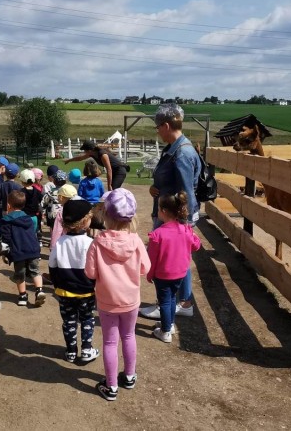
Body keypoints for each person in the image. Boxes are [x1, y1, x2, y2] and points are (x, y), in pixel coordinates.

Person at [84, 188, 150, 401]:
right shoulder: (136, 240)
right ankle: (129, 376)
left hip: (107, 302)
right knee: (129, 336)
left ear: (105, 214)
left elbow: (90, 273)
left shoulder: (97, 243)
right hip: (131, 300)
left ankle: (111, 386)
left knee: (110, 342)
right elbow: (145, 268)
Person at [140, 103, 202, 320]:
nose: (157, 131)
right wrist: (156, 188)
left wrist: (182, 223)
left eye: (158, 127)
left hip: (173, 218)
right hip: (170, 214)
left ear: (166, 125)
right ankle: (179, 302)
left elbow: (186, 191)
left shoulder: (182, 153)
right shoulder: (175, 148)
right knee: (179, 259)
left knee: (171, 261)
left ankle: (172, 303)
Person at [49, 199, 98, 363]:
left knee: (69, 320)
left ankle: (70, 351)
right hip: (87, 290)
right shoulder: (90, 243)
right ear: (85, 222)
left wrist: (57, 284)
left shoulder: (60, 243)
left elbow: (52, 266)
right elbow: (96, 268)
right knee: (87, 319)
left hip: (64, 291)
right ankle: (86, 349)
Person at [146, 192, 201, 343]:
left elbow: (152, 259)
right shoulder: (185, 229)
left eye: (158, 209)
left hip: (162, 275)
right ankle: (169, 324)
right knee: (171, 299)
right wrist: (190, 231)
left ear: (163, 211)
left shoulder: (157, 234)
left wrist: (149, 274)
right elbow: (196, 246)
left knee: (165, 301)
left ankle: (165, 332)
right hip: (180, 274)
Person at [0, 190, 46, 307]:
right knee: (35, 271)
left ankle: (23, 296)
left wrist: (5, 253)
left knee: (20, 274)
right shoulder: (30, 218)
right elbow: (33, 233)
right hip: (33, 250)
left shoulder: (7, 220)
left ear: (8, 205)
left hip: (18, 252)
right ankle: (39, 290)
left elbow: (6, 239)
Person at [65, 141, 129, 190]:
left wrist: (109, 185)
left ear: (89, 150)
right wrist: (69, 160)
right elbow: (80, 158)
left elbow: (109, 169)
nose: (84, 151)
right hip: (114, 171)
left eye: (85, 150)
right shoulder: (92, 154)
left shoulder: (103, 155)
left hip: (119, 171)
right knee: (113, 190)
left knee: (113, 189)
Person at [49, 183, 78, 249]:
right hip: (77, 241)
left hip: (64, 242)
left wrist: (53, 246)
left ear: (61, 197)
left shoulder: (61, 211)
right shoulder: (79, 209)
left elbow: (57, 230)